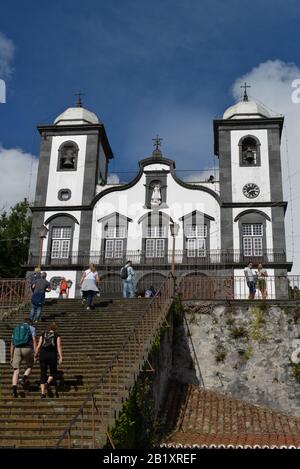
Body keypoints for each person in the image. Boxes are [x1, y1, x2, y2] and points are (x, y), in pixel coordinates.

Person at [35, 322, 62, 399]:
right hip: (52, 355)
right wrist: (60, 356)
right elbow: (59, 346)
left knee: (43, 373)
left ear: (48, 328)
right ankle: (47, 383)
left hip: (43, 355)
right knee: (53, 372)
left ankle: (43, 393)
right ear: (55, 328)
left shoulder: (43, 334)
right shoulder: (57, 335)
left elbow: (39, 345)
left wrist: (35, 355)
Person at [10, 318, 37, 398]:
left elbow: (12, 343)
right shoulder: (32, 328)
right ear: (30, 323)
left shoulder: (16, 328)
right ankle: (24, 378)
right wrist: (35, 352)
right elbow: (34, 340)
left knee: (16, 370)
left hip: (17, 349)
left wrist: (11, 356)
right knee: (30, 365)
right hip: (27, 349)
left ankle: (14, 389)